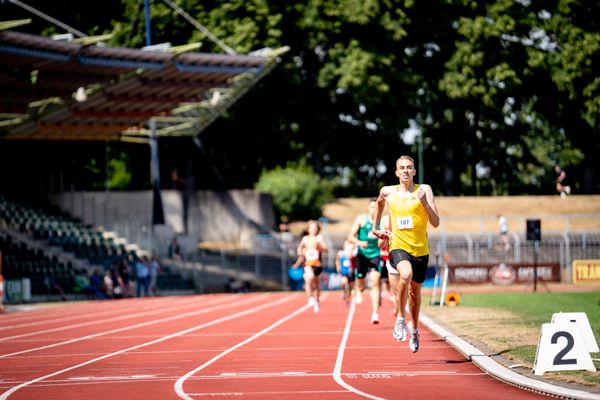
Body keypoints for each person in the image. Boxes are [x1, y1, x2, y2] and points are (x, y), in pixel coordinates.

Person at [373, 155, 440, 353]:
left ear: (414, 171)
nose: (405, 171)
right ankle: (401, 319)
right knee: (405, 275)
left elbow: (435, 223)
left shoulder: (424, 189)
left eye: (409, 168)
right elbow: (378, 203)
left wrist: (425, 204)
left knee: (415, 294)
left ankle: (415, 329)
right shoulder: (388, 192)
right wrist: (376, 228)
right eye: (401, 168)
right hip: (398, 246)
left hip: (420, 249)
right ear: (396, 172)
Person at [348, 198, 382, 324]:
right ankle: (358, 289)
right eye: (372, 207)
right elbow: (350, 236)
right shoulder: (361, 219)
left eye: (376, 207)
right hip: (362, 254)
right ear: (369, 208)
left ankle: (375, 313)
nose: (374, 209)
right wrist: (359, 242)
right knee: (361, 284)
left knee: (375, 281)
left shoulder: (381, 221)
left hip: (375, 254)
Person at [296, 220, 328, 313]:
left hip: (317, 264)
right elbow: (300, 247)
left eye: (315, 228)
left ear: (318, 229)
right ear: (308, 229)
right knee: (309, 277)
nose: (313, 230)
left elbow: (326, 249)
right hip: (308, 263)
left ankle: (317, 301)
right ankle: (310, 297)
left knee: (317, 285)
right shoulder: (305, 238)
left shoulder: (319, 238)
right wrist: (300, 251)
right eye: (311, 228)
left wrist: (320, 245)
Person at [335, 240, 356, 306]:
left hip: (351, 271)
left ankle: (348, 299)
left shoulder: (353, 253)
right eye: (346, 245)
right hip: (344, 271)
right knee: (344, 282)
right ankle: (344, 292)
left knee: (350, 286)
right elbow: (337, 260)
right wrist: (338, 266)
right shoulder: (340, 253)